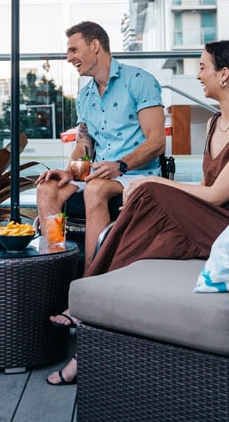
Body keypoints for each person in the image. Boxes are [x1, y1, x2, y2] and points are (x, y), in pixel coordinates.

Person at [47, 40, 229, 386]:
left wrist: (155, 184)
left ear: (224, 74)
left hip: (225, 226)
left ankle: (82, 297)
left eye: (202, 67)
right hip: (207, 218)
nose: (197, 75)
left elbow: (216, 195)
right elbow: (205, 185)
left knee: (149, 191)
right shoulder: (216, 122)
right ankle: (89, 319)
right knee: (140, 231)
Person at [36, 21, 165, 273]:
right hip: (98, 174)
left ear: (95, 45)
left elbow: (157, 142)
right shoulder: (85, 96)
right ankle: (53, 270)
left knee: (93, 190)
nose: (68, 57)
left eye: (73, 50)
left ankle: (89, 279)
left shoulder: (140, 81)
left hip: (136, 174)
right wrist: (70, 173)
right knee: (47, 189)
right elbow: (83, 146)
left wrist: (120, 165)